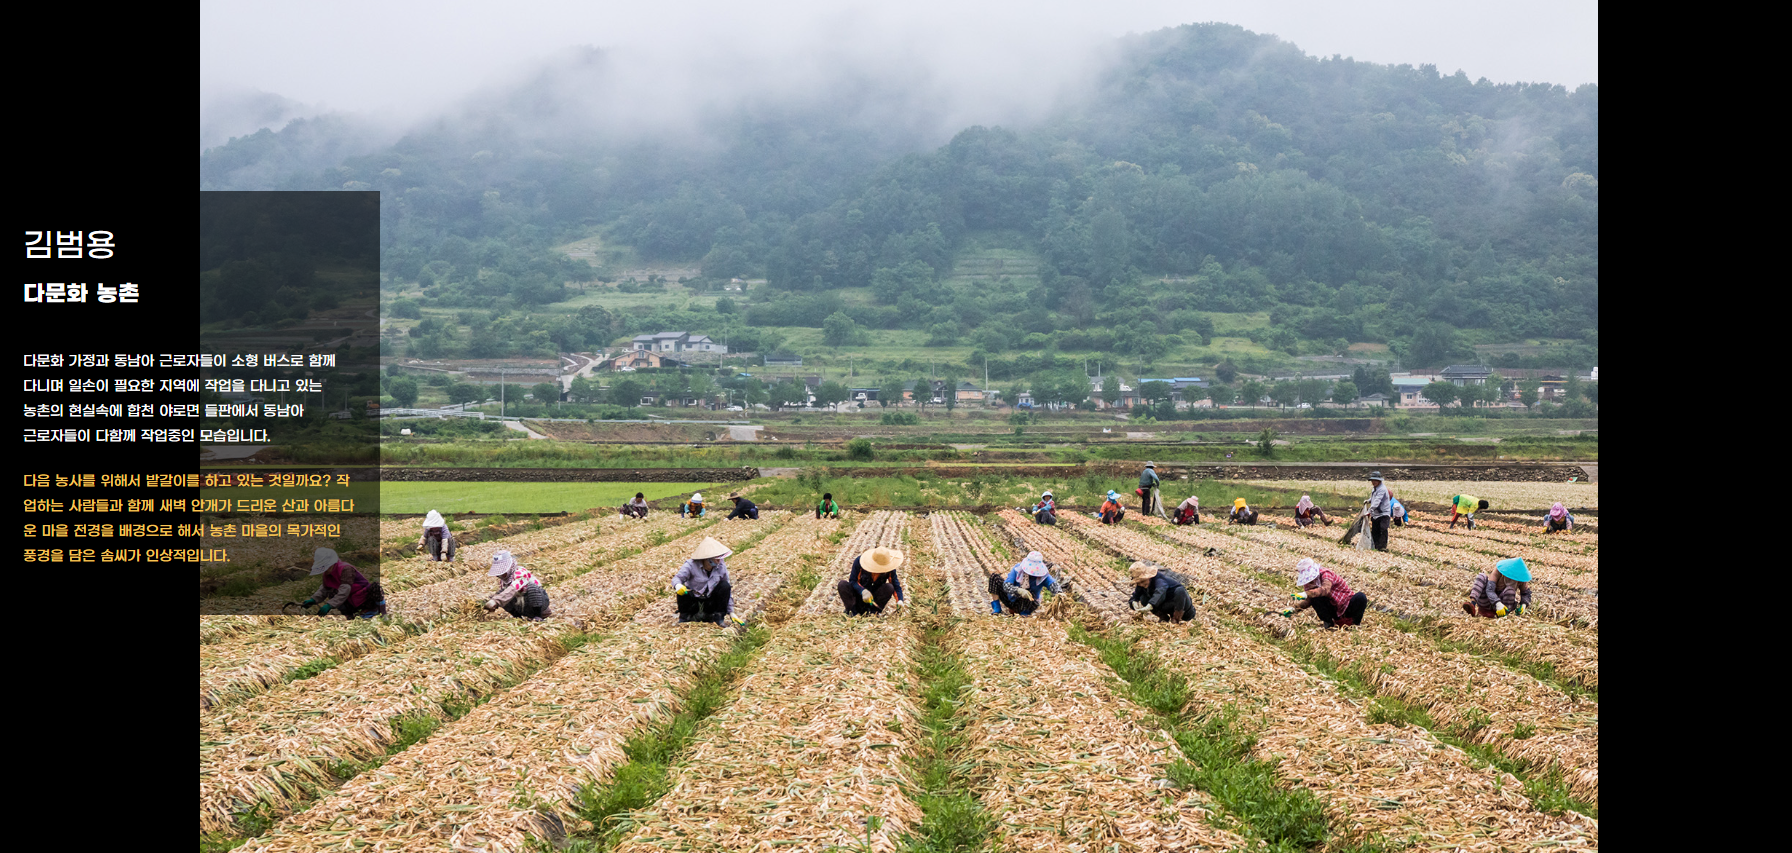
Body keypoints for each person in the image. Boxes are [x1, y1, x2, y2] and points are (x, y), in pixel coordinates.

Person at [672, 537, 740, 625]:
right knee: (682, 591)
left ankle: (718, 617)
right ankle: (685, 617)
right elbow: (677, 578)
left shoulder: (721, 566)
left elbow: (727, 589)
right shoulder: (691, 565)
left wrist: (731, 612)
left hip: (710, 601)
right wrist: (678, 585)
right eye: (716, 559)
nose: (719, 561)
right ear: (707, 558)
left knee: (725, 586)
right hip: (694, 601)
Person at [302, 547, 386, 618]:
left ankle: (380, 612)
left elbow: (345, 590)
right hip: (350, 601)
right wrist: (313, 599)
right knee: (332, 593)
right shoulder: (327, 574)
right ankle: (352, 616)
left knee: (376, 587)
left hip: (363, 597)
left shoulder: (345, 569)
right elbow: (324, 588)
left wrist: (330, 605)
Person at [1284, 557, 1367, 628]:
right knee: (1315, 599)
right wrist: (1294, 609)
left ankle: (1355, 623)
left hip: (1346, 604)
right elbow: (1309, 600)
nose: (1310, 581)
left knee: (1361, 597)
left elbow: (1325, 589)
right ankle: (1329, 623)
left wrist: (1307, 594)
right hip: (1333, 608)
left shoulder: (1326, 574)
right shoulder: (1308, 583)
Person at [989, 551, 1062, 616]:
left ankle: (1024, 615)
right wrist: (1018, 591)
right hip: (1011, 598)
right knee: (994, 578)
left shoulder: (1043, 576)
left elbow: (1053, 584)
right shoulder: (1017, 569)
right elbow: (1006, 585)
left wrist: (1059, 593)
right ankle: (996, 608)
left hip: (1027, 604)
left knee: (1030, 594)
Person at [484, 550, 551, 620]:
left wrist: (496, 601)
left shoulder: (520, 573)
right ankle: (518, 617)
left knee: (532, 588)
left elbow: (514, 588)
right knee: (501, 594)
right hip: (521, 606)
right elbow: (504, 594)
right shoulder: (504, 580)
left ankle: (538, 616)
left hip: (537, 603)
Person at [839, 546, 906, 616]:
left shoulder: (890, 568)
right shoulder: (860, 562)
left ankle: (874, 613)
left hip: (874, 600)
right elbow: (853, 581)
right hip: (858, 597)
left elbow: (895, 585)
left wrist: (900, 600)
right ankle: (852, 612)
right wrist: (863, 591)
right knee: (842, 585)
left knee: (889, 587)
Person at [1463, 558, 1532, 618]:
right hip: (1488, 600)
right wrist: (1497, 603)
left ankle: (1502, 614)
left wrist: (1524, 604)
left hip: (1505, 603)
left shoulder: (1521, 578)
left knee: (1510, 591)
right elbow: (1489, 590)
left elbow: (1526, 593)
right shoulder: (1499, 571)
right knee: (1481, 576)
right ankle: (1473, 604)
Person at [1128, 561, 1194, 623]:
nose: (1141, 585)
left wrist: (1150, 605)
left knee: (1180, 590)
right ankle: (1164, 618)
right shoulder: (1141, 585)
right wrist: (1133, 603)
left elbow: (1160, 591)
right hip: (1167, 606)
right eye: (1139, 583)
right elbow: (1135, 596)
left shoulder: (1159, 579)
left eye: (1143, 581)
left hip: (1184, 609)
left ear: (1149, 577)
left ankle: (1176, 619)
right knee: (1143, 598)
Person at [1367, 472, 1393, 551]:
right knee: (1375, 530)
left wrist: (1369, 510)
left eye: (1375, 480)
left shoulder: (1382, 489)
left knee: (1383, 529)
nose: (1373, 482)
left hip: (1383, 513)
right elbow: (1373, 498)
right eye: (1372, 480)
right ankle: (1375, 545)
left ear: (1379, 481)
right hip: (1376, 513)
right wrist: (1368, 501)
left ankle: (1382, 547)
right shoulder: (1374, 488)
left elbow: (1377, 502)